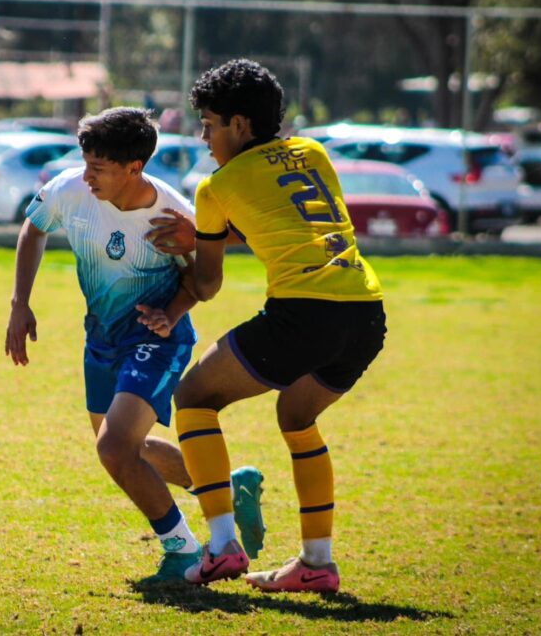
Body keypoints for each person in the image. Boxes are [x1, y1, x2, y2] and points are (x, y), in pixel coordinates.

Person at [146, 59, 386, 592]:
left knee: (195, 398)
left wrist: (191, 261)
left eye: (208, 124)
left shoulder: (217, 187)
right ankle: (316, 563)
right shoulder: (313, 154)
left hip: (303, 313)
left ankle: (222, 544)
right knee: (297, 416)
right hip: (365, 311)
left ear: (237, 124)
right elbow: (289, 224)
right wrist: (207, 237)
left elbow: (208, 285)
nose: (204, 137)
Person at [7, 106, 228, 583]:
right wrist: (19, 303)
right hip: (101, 337)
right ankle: (223, 489)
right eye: (85, 164)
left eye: (98, 169)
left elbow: (207, 282)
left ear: (135, 168)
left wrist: (172, 311)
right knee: (128, 448)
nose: (87, 177)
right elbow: (35, 227)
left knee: (114, 449)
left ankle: (184, 550)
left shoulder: (172, 216)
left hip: (156, 337)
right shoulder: (70, 187)